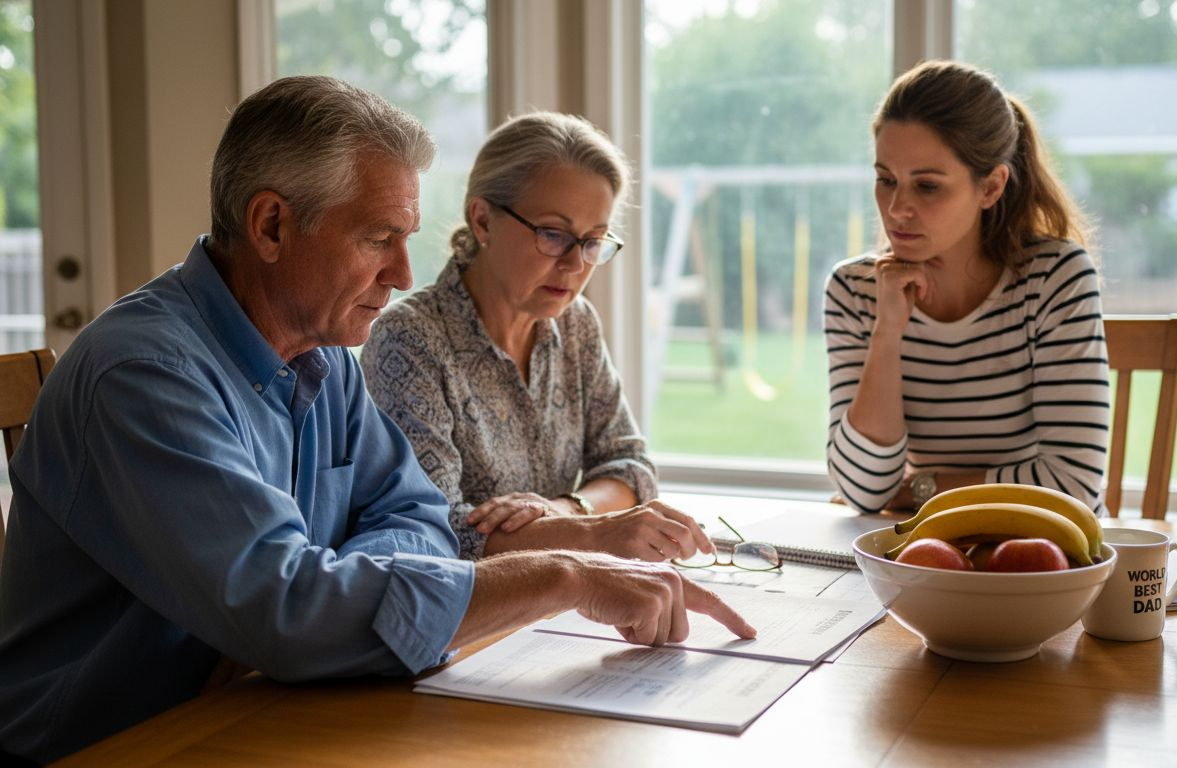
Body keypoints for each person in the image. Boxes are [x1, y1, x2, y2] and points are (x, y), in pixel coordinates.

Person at [0, 76, 751, 765]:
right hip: (120, 742)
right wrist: (559, 574)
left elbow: (416, 517)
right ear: (270, 226)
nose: (401, 274)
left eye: (406, 238)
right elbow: (290, 612)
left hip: (271, 709)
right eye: (377, 238)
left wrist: (327, 602)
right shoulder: (146, 376)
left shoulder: (319, 353)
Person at [363, 112, 690, 563]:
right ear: (482, 221)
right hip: (473, 619)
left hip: (563, 602)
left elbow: (629, 466)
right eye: (553, 234)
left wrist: (566, 510)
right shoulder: (409, 340)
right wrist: (592, 535)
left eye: (593, 241)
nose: (576, 265)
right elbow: (431, 529)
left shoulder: (576, 324)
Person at [824, 60, 1109, 515]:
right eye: (886, 180)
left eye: (928, 186)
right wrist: (887, 334)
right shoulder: (855, 289)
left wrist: (922, 488)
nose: (897, 208)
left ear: (992, 186)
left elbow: (1072, 486)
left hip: (1043, 556)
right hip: (923, 556)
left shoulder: (1055, 277)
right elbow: (863, 491)